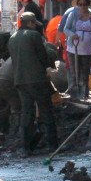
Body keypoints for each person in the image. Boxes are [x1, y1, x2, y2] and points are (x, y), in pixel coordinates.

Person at [10, 11, 61, 154]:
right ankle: (53, 146)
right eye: (34, 24)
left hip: (20, 81)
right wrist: (51, 61)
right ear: (31, 23)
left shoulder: (12, 38)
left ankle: (25, 148)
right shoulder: (34, 35)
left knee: (27, 114)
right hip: (37, 80)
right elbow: (43, 57)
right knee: (46, 111)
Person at [63, 0, 91, 99]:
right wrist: (72, 35)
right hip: (73, 49)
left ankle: (83, 96)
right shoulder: (73, 15)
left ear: (88, 4)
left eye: (85, 4)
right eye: (80, 4)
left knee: (84, 75)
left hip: (87, 51)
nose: (83, 6)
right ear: (77, 5)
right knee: (74, 73)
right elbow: (66, 29)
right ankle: (74, 96)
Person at [0, 57, 19, 151]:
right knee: (20, 111)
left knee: (0, 112)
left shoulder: (14, 54)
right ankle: (16, 142)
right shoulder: (30, 57)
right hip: (8, 83)